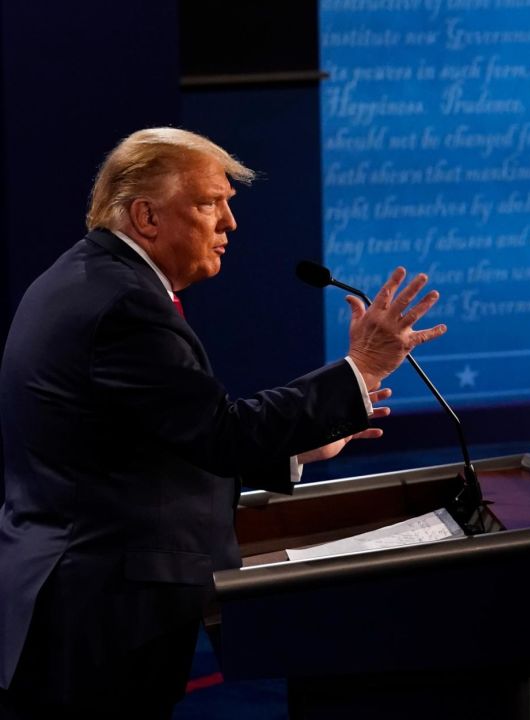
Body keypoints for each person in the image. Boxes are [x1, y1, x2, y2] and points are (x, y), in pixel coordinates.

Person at [0, 128, 446, 718]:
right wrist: (359, 369)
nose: (230, 223)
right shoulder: (125, 306)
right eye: (211, 203)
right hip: (99, 611)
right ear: (146, 216)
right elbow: (220, 430)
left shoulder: (93, 279)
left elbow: (152, 439)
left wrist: (297, 450)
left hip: (84, 596)